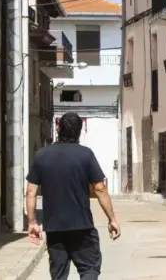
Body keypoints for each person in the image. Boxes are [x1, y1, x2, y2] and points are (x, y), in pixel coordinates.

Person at [26, 111, 121, 280]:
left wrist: (32, 222)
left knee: (59, 275)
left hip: (54, 229)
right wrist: (112, 219)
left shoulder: (42, 155)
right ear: (80, 131)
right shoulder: (86, 155)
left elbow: (30, 192)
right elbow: (100, 189)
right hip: (82, 228)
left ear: (58, 128)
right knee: (89, 269)